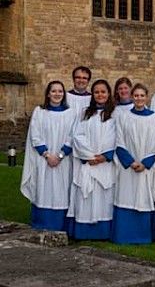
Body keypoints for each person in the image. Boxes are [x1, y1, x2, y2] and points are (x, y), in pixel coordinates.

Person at [21, 81, 77, 231]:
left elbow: (72, 136)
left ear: (64, 94)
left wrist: (59, 155)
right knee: (43, 190)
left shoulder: (70, 113)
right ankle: (42, 223)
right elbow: (35, 134)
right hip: (44, 159)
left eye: (60, 91)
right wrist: (47, 154)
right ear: (48, 93)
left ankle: (61, 226)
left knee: (62, 191)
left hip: (63, 161)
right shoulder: (39, 111)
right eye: (54, 91)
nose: (57, 94)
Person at [67, 79, 116, 240]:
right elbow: (77, 135)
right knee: (85, 198)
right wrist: (88, 156)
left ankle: (103, 233)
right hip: (88, 162)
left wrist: (105, 156)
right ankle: (84, 232)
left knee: (104, 198)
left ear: (108, 94)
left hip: (105, 164)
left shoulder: (115, 114)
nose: (100, 95)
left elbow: (118, 138)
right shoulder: (84, 113)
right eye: (96, 92)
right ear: (92, 95)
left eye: (103, 91)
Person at [112, 83, 155, 244]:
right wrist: (131, 162)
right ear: (132, 97)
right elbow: (119, 141)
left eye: (142, 95)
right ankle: (124, 235)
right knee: (127, 196)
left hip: (146, 167)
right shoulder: (124, 116)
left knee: (143, 198)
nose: (139, 99)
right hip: (128, 167)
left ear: (146, 97)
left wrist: (145, 163)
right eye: (136, 96)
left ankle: (142, 236)